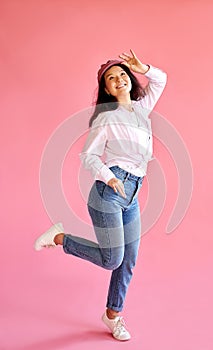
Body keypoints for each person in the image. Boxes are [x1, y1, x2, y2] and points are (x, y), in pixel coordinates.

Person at [34, 50, 167, 341]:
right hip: (109, 192)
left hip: (132, 194)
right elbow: (88, 155)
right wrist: (109, 177)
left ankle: (112, 315)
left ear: (130, 79)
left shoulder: (141, 109)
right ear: (106, 88)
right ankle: (60, 238)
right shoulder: (106, 119)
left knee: (128, 260)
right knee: (112, 259)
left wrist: (142, 66)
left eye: (122, 75)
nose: (119, 80)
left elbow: (160, 79)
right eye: (111, 78)